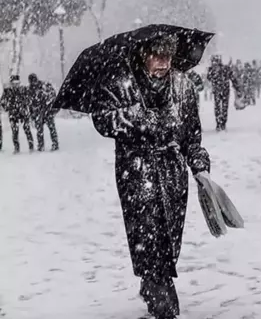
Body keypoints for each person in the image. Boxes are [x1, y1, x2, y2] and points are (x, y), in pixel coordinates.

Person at [91, 35, 210, 319]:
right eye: (156, 56)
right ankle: (160, 294)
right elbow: (102, 119)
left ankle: (153, 279)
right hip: (136, 171)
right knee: (146, 233)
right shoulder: (123, 83)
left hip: (172, 174)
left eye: (167, 56)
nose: (162, 63)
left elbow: (192, 134)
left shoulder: (184, 86)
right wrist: (138, 121)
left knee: (169, 237)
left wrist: (199, 165)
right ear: (144, 55)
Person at [0, 75, 34, 153]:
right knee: (14, 132)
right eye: (14, 83)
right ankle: (16, 148)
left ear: (19, 83)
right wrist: (7, 107)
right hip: (13, 114)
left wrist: (26, 105)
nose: (15, 85)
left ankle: (31, 146)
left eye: (17, 83)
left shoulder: (24, 89)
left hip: (23, 113)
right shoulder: (7, 91)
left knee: (27, 130)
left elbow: (29, 100)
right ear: (11, 83)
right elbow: (2, 102)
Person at [27, 73, 59, 151]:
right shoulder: (30, 90)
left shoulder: (45, 86)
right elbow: (30, 103)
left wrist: (51, 109)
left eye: (34, 81)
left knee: (51, 128)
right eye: (32, 81)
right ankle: (41, 145)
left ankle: (55, 144)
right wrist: (32, 114)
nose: (33, 83)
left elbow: (53, 97)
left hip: (47, 111)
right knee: (40, 130)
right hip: (38, 113)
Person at [207, 55, 235, 131]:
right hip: (224, 90)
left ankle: (219, 123)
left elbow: (208, 78)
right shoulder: (225, 68)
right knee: (224, 107)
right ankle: (223, 123)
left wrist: (212, 72)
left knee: (217, 107)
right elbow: (232, 78)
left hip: (218, 91)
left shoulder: (213, 69)